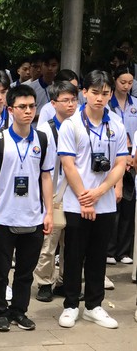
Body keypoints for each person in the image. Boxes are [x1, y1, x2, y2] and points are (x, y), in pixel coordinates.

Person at [57, 70, 127, 329]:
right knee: (74, 255)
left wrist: (101, 192)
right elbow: (69, 165)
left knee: (98, 256)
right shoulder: (71, 125)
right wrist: (86, 199)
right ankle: (71, 305)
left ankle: (94, 305)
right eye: (95, 92)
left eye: (105, 93)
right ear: (84, 92)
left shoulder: (116, 125)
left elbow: (121, 163)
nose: (100, 98)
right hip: (77, 202)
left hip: (105, 202)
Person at [0, 85, 55, 332]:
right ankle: (0, 311)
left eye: (31, 106)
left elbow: (46, 177)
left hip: (33, 216)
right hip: (3, 216)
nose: (28, 111)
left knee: (26, 272)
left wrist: (48, 212)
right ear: (10, 109)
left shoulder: (43, 139)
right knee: (0, 271)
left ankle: (19, 311)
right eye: (22, 107)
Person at [33, 81, 78, 302]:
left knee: (72, 242)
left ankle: (66, 281)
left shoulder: (81, 126)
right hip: (54, 191)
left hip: (77, 191)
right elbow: (43, 168)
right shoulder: (45, 130)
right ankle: (44, 282)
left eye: (73, 100)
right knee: (49, 242)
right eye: (65, 100)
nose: (71, 104)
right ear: (53, 103)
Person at [107, 65, 137, 266]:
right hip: (114, 158)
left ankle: (124, 250)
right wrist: (123, 157)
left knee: (129, 205)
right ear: (114, 80)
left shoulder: (136, 104)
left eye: (130, 82)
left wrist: (132, 157)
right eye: (122, 82)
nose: (126, 86)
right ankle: (109, 250)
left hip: (133, 160)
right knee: (112, 205)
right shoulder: (107, 104)